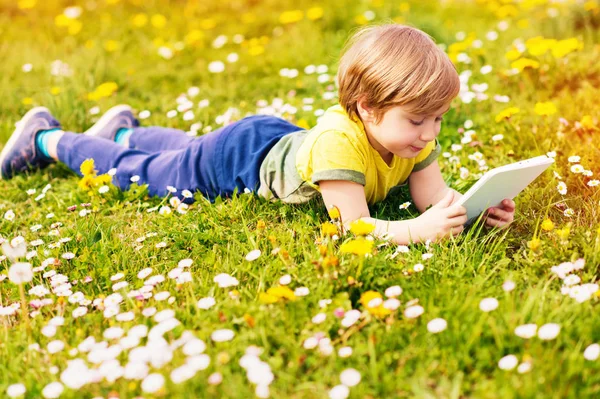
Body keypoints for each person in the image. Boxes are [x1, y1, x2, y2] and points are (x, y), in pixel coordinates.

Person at [0, 23, 515, 245]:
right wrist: (415, 234)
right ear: (366, 107)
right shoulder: (342, 145)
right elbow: (352, 226)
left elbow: (433, 201)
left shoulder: (415, 140)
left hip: (274, 140)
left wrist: (470, 211)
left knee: (181, 151)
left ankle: (123, 130)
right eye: (417, 119)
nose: (429, 134)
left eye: (438, 118)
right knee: (151, 176)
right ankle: (46, 138)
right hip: (236, 159)